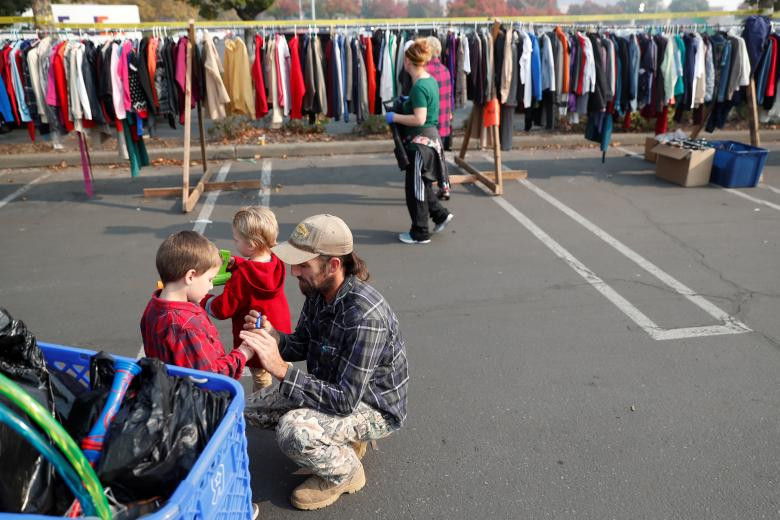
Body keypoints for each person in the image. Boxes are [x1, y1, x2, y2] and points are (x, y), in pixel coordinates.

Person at [237, 214, 409, 511]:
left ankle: (346, 473)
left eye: (303, 264)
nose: (293, 272)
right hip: (334, 389)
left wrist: (280, 369)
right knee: (244, 409)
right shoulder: (319, 291)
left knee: (293, 432)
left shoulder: (365, 317)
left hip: (371, 406)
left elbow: (344, 401)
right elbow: (302, 343)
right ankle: (341, 441)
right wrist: (273, 338)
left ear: (333, 265)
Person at [140, 230, 259, 380]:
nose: (211, 287)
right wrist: (242, 353)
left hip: (167, 390)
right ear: (190, 276)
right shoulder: (186, 327)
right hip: (196, 399)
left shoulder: (153, 306)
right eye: (209, 279)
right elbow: (210, 377)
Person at [201, 206, 292, 391]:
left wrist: (204, 299)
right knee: (283, 369)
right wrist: (240, 262)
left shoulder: (242, 276)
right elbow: (259, 268)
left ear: (250, 245)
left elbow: (223, 309)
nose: (235, 243)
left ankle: (262, 406)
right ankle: (290, 394)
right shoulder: (277, 260)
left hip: (257, 333)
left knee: (261, 376)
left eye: (236, 240)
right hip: (279, 330)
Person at [385, 38, 454, 245]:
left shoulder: (418, 87)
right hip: (430, 142)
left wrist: (395, 117)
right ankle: (440, 215)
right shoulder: (429, 80)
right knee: (422, 185)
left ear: (407, 61)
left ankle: (420, 232)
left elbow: (419, 118)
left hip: (420, 144)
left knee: (415, 190)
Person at [426, 35, 453, 201]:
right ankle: (445, 187)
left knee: (428, 158)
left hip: (429, 121)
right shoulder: (445, 70)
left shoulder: (425, 72)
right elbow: (448, 97)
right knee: (440, 155)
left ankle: (428, 190)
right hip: (443, 120)